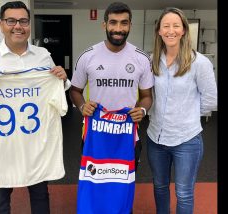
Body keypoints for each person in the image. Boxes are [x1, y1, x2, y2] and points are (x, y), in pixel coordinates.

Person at [0, 1, 71, 214]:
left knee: (40, 192)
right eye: (11, 21)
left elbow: (58, 87)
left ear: (29, 25)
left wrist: (62, 78)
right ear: (1, 24)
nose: (18, 26)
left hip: (36, 139)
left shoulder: (42, 54)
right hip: (1, 139)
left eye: (23, 21)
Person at [69, 2, 154, 213]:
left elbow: (146, 96)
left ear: (130, 26)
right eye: (113, 22)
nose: (118, 28)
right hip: (95, 135)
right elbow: (75, 90)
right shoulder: (88, 56)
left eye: (124, 23)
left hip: (127, 135)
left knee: (124, 186)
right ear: (104, 24)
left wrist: (142, 111)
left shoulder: (141, 59)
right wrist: (81, 106)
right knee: (95, 183)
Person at [146, 7, 217, 214]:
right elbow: (146, 93)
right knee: (159, 187)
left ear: (184, 30)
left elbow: (211, 101)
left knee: (184, 193)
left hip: (186, 140)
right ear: (159, 31)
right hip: (155, 139)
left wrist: (187, 117)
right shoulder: (150, 61)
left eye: (176, 26)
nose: (171, 30)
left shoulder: (200, 63)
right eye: (166, 26)